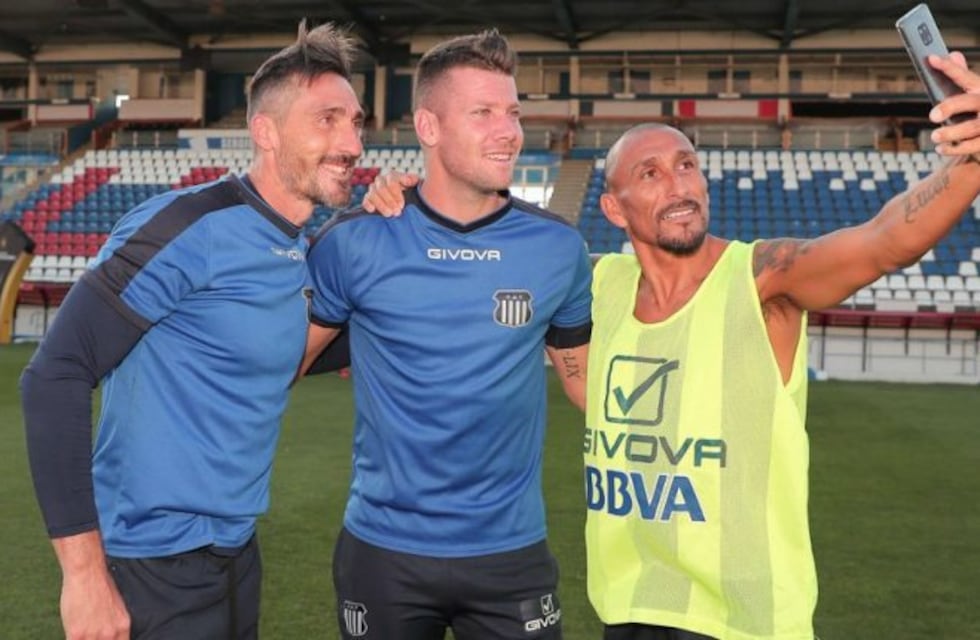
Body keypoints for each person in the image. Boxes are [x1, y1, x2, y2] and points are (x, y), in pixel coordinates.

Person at [584, 53, 980, 640]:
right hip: (629, 610)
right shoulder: (599, 283)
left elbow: (883, 242)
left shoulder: (763, 278)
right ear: (613, 208)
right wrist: (397, 204)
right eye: (651, 173)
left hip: (744, 623)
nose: (679, 186)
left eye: (687, 165)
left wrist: (973, 160)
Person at [20, 21, 364, 640]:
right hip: (148, 566)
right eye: (327, 119)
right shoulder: (190, 227)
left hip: (236, 556)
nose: (351, 143)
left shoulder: (297, 248)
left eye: (357, 122)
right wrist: (84, 577)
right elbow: (54, 375)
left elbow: (280, 349)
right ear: (265, 131)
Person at [301, 29, 592, 640]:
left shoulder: (559, 249)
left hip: (511, 553)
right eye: (482, 112)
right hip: (384, 554)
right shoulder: (355, 241)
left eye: (512, 112)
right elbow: (284, 362)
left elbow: (585, 384)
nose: (508, 130)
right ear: (429, 127)